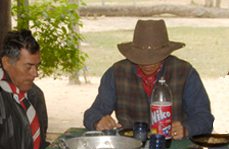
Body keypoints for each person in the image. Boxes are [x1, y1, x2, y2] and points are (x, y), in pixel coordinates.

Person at [83, 19, 214, 140]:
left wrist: (186, 129)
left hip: (173, 146)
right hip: (130, 147)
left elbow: (204, 118)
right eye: (141, 57)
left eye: (155, 57)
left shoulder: (184, 72)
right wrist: (98, 121)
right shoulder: (116, 73)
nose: (147, 63)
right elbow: (92, 113)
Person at [0, 29, 48, 149]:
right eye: (28, 67)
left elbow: (37, 145)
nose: (35, 73)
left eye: (37, 66)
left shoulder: (34, 95)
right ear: (6, 62)